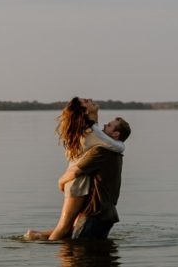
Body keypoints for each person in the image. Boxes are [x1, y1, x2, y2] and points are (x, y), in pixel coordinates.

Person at [25, 98, 131, 240]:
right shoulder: (93, 134)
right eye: (86, 101)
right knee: (63, 227)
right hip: (77, 181)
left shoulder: (88, 130)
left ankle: (36, 236)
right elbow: (118, 146)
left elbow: (99, 128)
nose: (90, 100)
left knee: (68, 227)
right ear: (85, 111)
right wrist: (61, 181)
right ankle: (62, 258)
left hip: (78, 180)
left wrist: (94, 113)